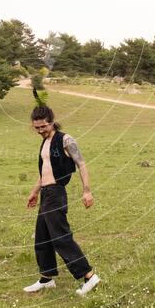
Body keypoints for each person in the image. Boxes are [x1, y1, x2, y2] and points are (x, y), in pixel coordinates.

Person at [24, 100, 100, 296]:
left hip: (57, 194)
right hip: (46, 194)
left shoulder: (66, 140)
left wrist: (87, 190)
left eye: (43, 126)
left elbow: (81, 164)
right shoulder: (45, 143)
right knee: (42, 238)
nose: (40, 130)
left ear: (52, 122)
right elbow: (45, 171)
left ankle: (88, 275)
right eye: (36, 127)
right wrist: (35, 191)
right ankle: (46, 278)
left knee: (61, 237)